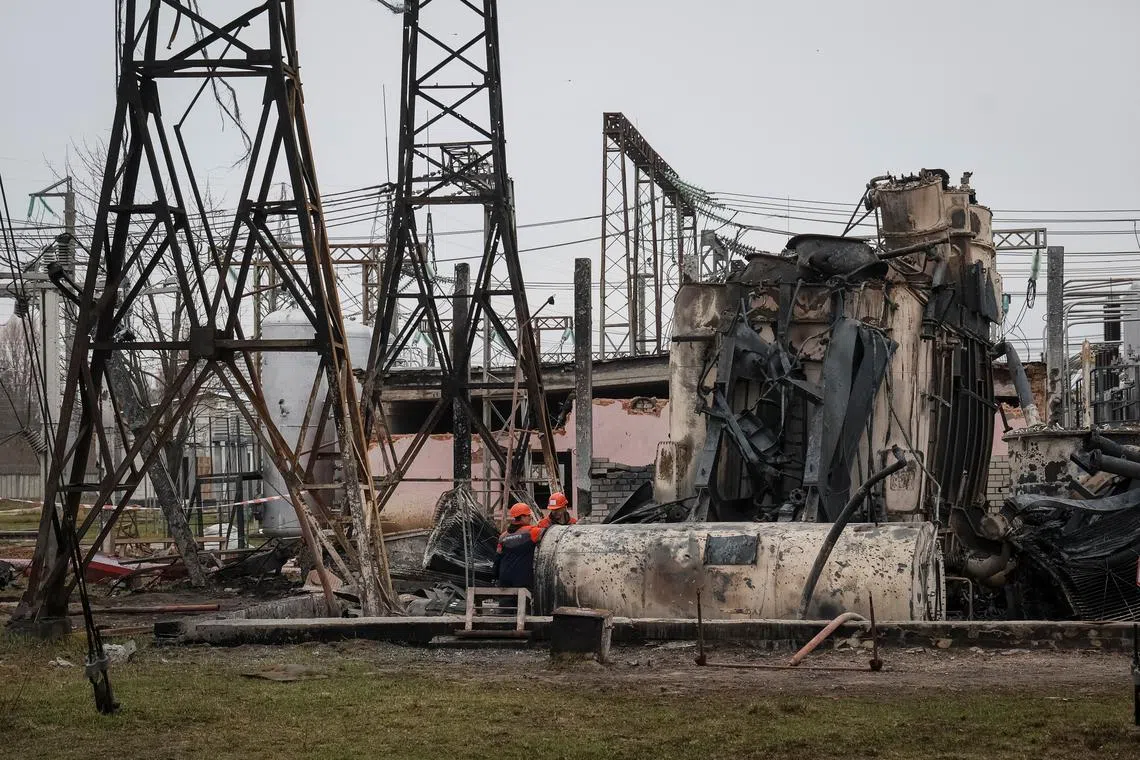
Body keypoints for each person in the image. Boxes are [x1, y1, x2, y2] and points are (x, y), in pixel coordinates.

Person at [492, 503, 542, 590]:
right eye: (528, 515)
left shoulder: (503, 536)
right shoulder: (532, 532)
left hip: (504, 580)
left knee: (506, 603)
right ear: (522, 517)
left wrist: (496, 577)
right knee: (523, 603)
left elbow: (497, 559)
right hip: (523, 580)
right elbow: (549, 533)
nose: (530, 517)